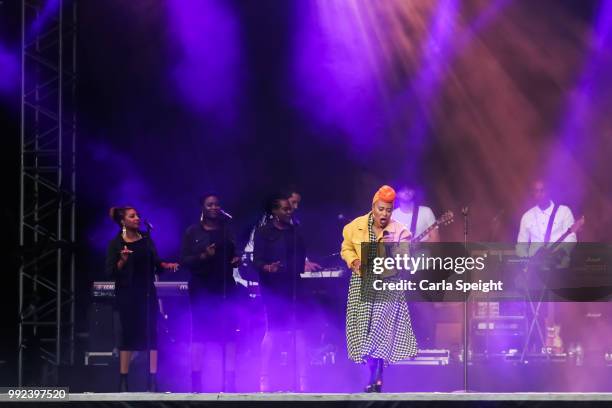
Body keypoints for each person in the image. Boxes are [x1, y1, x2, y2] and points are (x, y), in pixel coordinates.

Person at [341, 185, 418, 392]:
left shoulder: (401, 231)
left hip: (388, 284)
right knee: (362, 333)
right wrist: (354, 261)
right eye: (381, 209)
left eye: (388, 210)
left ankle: (376, 376)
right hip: (361, 283)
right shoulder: (354, 227)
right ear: (373, 207)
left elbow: (405, 262)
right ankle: (374, 374)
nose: (384, 214)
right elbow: (346, 248)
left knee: (379, 331)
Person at [105, 206, 179, 392]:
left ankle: (152, 381)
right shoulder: (116, 243)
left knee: (151, 334)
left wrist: (165, 265)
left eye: (137, 215)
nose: (137, 218)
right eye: (132, 216)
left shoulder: (146, 240)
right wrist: (122, 260)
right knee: (128, 334)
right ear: (123, 221)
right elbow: (110, 271)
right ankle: (123, 381)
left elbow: (156, 262)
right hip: (128, 294)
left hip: (147, 293)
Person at [180, 193, 241, 392]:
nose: (215, 207)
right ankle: (196, 381)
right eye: (210, 204)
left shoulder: (227, 231)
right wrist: (204, 255)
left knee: (229, 334)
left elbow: (235, 254)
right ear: (203, 208)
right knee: (199, 334)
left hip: (225, 287)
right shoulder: (192, 232)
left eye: (217, 204)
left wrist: (236, 260)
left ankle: (229, 380)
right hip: (201, 289)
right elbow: (185, 261)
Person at [253, 194, 308, 392]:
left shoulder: (295, 232)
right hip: (272, 288)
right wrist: (268, 268)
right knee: (273, 331)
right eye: (285, 209)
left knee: (299, 332)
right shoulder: (263, 232)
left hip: (293, 287)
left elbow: (301, 258)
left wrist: (294, 268)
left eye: (290, 208)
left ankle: (302, 379)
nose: (289, 211)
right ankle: (264, 377)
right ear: (274, 212)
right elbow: (256, 260)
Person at [516, 179, 577, 257]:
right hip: (535, 267)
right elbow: (521, 245)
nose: (539, 194)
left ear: (548, 191)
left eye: (542, 190)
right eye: (536, 191)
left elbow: (571, 238)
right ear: (532, 194)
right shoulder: (527, 217)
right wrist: (526, 262)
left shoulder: (564, 211)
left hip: (559, 264)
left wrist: (560, 254)